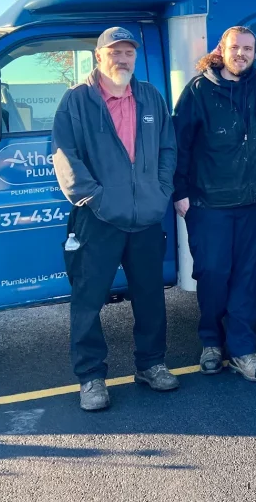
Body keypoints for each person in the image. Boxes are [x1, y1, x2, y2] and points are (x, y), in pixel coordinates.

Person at [52, 27, 178, 412]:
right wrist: (94, 198)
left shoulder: (151, 97)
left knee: (151, 297)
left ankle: (151, 365)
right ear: (98, 56)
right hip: (98, 218)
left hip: (145, 218)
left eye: (128, 52)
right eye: (115, 51)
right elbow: (65, 156)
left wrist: (160, 192)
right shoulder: (76, 101)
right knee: (88, 301)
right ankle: (91, 378)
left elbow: (168, 148)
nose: (123, 58)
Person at [172, 26, 256, 383]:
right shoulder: (199, 90)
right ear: (222, 49)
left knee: (245, 280)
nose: (242, 54)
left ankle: (242, 351)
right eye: (236, 48)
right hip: (208, 204)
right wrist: (179, 193)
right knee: (213, 275)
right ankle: (210, 341)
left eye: (249, 49)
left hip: (252, 203)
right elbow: (179, 145)